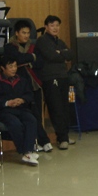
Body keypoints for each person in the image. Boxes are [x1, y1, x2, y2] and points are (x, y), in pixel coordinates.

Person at [4, 20, 53, 153]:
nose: (26, 36)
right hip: (18, 86)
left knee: (37, 116)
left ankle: (42, 141)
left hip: (34, 83)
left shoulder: (33, 46)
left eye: (28, 33)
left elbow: (40, 62)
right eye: (23, 33)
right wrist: (31, 57)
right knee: (30, 116)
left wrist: (27, 60)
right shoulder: (10, 47)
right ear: (17, 33)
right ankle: (40, 141)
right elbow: (17, 59)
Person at [0, 56, 40, 166]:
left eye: (15, 66)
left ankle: (28, 151)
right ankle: (25, 152)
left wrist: (22, 100)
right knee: (15, 123)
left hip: (20, 108)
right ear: (2, 68)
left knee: (31, 120)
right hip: (2, 111)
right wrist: (7, 103)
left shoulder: (22, 80)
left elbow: (29, 94)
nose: (14, 69)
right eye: (10, 67)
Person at [36, 15, 75, 150]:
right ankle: (61, 138)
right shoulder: (42, 41)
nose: (55, 28)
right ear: (46, 27)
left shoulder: (60, 41)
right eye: (52, 25)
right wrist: (62, 54)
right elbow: (51, 56)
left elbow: (70, 55)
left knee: (65, 107)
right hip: (50, 78)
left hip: (63, 77)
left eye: (57, 25)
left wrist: (60, 53)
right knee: (56, 108)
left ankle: (65, 135)